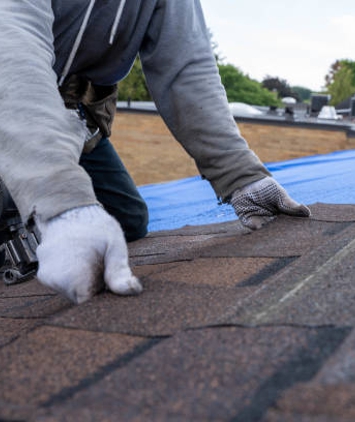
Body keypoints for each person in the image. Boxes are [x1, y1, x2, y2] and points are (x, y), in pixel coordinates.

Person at [0, 0, 311, 304]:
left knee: (127, 219)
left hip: (74, 117)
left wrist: (242, 177)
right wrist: (62, 205)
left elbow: (185, 67)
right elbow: (12, 54)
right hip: (16, 104)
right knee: (23, 209)